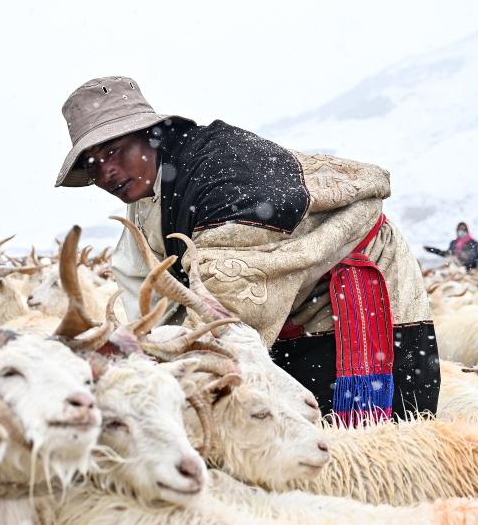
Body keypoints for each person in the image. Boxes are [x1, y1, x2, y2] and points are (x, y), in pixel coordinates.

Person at [55, 77, 439, 425]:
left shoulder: (227, 185)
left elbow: (222, 322)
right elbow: (164, 298)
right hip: (289, 306)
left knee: (356, 446)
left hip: (358, 299)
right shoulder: (150, 190)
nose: (104, 173)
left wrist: (138, 381)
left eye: (114, 151)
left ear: (151, 136)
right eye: (92, 163)